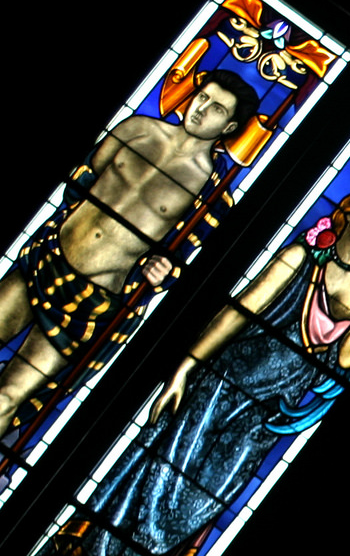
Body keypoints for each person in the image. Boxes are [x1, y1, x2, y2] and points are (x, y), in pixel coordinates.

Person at [25, 186, 350, 556]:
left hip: (258, 424)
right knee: (146, 487)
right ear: (347, 215)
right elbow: (237, 311)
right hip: (216, 391)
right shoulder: (299, 260)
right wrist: (186, 367)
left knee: (176, 516)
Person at [0, 71, 263, 435]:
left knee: (6, 398)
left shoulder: (212, 195)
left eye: (217, 108)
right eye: (202, 97)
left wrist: (163, 273)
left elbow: (182, 263)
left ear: (229, 127)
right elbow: (81, 179)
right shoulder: (136, 129)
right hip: (46, 258)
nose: (202, 109)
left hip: (90, 304)